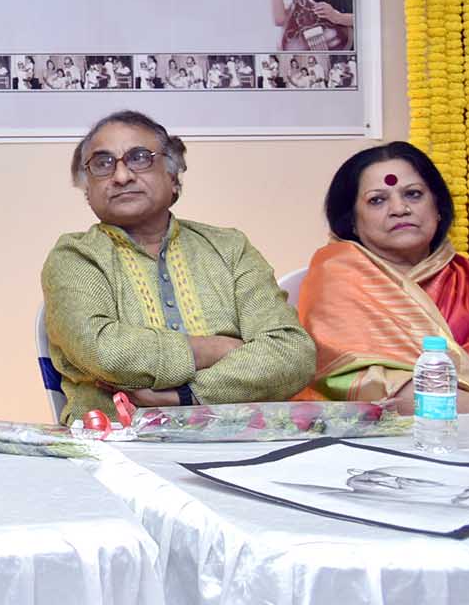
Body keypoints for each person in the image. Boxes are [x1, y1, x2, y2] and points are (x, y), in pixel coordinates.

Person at [40, 110, 314, 424]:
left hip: (240, 435)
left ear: (172, 176)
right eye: (103, 164)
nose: (121, 176)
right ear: (87, 190)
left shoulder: (229, 247)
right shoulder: (74, 256)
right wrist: (213, 349)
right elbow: (103, 351)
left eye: (139, 158)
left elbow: (293, 353)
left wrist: (188, 395)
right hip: (116, 439)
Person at [296, 141, 469, 411]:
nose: (399, 209)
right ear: (352, 221)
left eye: (413, 194)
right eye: (377, 200)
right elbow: (353, 381)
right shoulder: (337, 277)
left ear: (438, 207)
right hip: (384, 434)